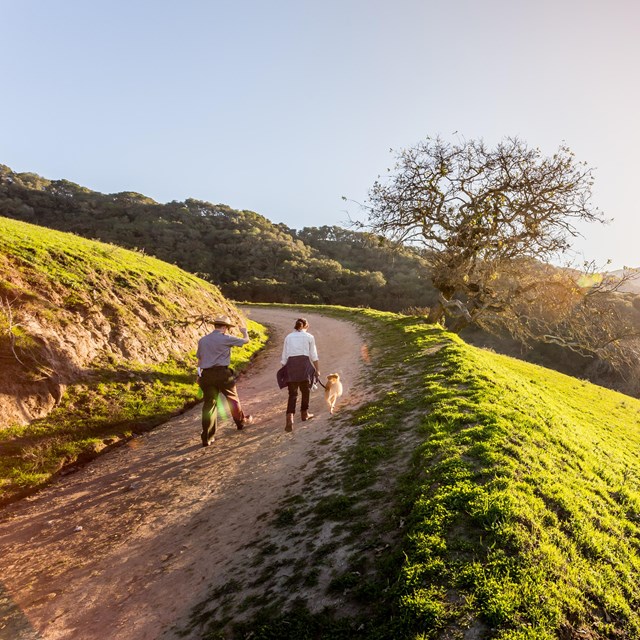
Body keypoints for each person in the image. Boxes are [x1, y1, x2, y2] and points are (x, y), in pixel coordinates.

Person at [196, 315, 253, 447]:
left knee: (209, 405)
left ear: (214, 325)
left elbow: (199, 361)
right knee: (232, 399)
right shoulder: (225, 338)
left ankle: (207, 437)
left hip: (206, 375)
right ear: (225, 327)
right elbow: (245, 341)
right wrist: (244, 332)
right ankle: (240, 422)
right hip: (222, 373)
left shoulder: (203, 340)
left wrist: (199, 376)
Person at [279, 317, 319, 432]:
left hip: (291, 366)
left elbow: (284, 356)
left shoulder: (288, 337)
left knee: (292, 394)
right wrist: (317, 370)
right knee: (305, 390)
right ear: (306, 326)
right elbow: (314, 355)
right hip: (304, 366)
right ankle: (304, 413)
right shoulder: (309, 337)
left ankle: (289, 418)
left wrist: (285, 370)